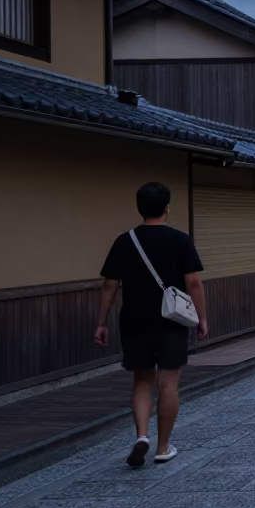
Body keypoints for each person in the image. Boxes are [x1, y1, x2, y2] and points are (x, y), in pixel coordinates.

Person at [95, 182, 208, 467]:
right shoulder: (180, 240)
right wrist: (202, 318)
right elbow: (193, 282)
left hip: (134, 320)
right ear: (167, 209)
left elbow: (109, 285)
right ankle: (163, 446)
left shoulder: (125, 240)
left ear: (139, 208)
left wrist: (101, 322)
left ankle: (142, 435)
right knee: (168, 384)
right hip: (171, 321)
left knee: (142, 380)